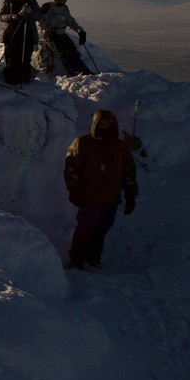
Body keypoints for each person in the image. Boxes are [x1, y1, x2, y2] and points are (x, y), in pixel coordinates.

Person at [64, 110, 138, 269]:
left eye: (108, 122)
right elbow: (71, 169)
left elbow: (128, 174)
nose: (105, 125)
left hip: (111, 198)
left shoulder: (120, 148)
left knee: (103, 227)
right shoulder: (83, 143)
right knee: (85, 227)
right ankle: (76, 259)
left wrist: (131, 196)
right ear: (95, 124)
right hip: (89, 197)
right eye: (102, 122)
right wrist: (74, 190)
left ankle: (93, 257)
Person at [0, 0, 46, 85]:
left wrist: (30, 12)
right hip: (11, 33)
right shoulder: (8, 0)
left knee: (25, 57)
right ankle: (12, 78)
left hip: (26, 32)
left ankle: (23, 78)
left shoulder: (30, 0)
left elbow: (38, 16)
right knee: (12, 57)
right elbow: (0, 16)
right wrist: (11, 17)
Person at [40, 0, 91, 76]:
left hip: (61, 33)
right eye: (61, 0)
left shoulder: (64, 8)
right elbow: (41, 20)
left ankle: (85, 72)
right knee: (62, 53)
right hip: (51, 34)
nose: (62, 2)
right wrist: (47, 31)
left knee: (73, 51)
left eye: (64, 0)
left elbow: (70, 21)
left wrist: (80, 31)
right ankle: (73, 72)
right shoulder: (47, 6)